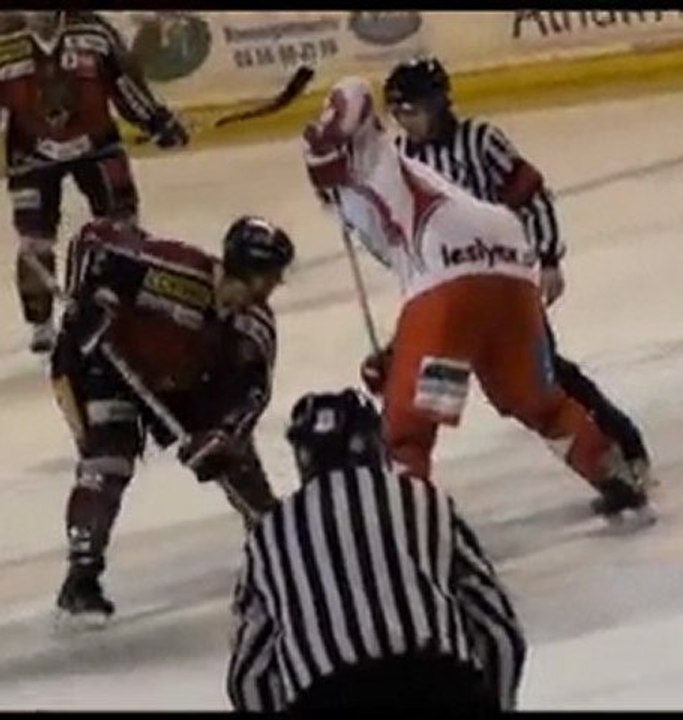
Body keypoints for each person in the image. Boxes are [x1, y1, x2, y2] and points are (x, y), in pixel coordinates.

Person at [301, 76, 655, 521]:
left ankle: (409, 523)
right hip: (505, 263)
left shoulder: (373, 158)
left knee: (410, 426)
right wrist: (399, 354)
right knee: (536, 401)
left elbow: (353, 89)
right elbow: (438, 293)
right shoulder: (374, 188)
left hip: (455, 275)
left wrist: (331, 132)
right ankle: (611, 473)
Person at [382, 56, 651, 478]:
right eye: (397, 113)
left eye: (411, 110)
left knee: (542, 385)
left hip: (500, 287)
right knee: (429, 399)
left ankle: (619, 446)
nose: (405, 122)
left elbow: (531, 196)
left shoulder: (480, 141)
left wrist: (547, 259)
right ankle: (411, 492)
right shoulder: (397, 158)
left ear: (439, 103)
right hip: (445, 298)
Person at [51, 214, 293, 621]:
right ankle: (82, 578)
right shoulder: (174, 273)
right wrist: (83, 309)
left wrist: (223, 436)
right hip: (110, 370)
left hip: (186, 385)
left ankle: (277, 544)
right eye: (265, 276)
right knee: (107, 462)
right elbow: (94, 239)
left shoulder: (255, 327)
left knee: (236, 462)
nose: (270, 287)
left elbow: (251, 394)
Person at [227, 387, 526, 712]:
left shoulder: (268, 536)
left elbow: (250, 676)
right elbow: (498, 630)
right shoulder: (425, 503)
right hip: (440, 686)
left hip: (329, 699)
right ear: (374, 443)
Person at [0, 11, 188, 353]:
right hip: (30, 153)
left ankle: (128, 302)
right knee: (34, 242)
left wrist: (156, 121)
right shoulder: (4, 41)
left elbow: (124, 83)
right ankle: (41, 324)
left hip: (98, 143)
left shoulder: (93, 31)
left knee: (123, 228)